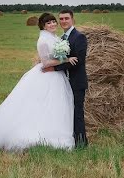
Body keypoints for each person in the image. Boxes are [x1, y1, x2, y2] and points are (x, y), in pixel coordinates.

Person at [0, 13, 76, 151]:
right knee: (40, 104)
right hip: (47, 75)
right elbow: (45, 63)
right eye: (48, 23)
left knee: (55, 105)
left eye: (53, 22)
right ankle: (37, 133)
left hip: (57, 75)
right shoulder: (43, 40)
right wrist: (65, 60)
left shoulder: (55, 38)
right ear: (43, 26)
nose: (52, 24)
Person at [42, 8, 88, 147]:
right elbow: (60, 58)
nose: (63, 21)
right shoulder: (61, 39)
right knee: (65, 113)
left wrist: (54, 68)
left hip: (76, 82)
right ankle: (68, 140)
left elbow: (77, 61)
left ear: (73, 19)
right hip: (63, 82)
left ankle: (81, 144)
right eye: (61, 19)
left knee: (77, 113)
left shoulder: (79, 37)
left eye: (66, 18)